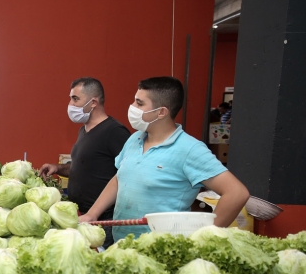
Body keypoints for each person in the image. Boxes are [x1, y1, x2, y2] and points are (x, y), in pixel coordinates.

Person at [79, 76, 249, 242]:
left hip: (160, 252)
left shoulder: (190, 149)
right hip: (122, 245)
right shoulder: (135, 138)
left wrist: (205, 240)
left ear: (161, 112)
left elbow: (236, 193)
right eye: (134, 101)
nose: (132, 107)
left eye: (139, 103)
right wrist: (92, 214)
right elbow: (119, 179)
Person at [40, 78, 130, 248]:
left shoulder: (114, 132)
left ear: (93, 102)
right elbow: (84, 167)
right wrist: (58, 168)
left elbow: (126, 174)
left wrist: (94, 213)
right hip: (82, 217)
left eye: (75, 99)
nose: (70, 104)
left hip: (102, 221)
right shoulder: (84, 130)